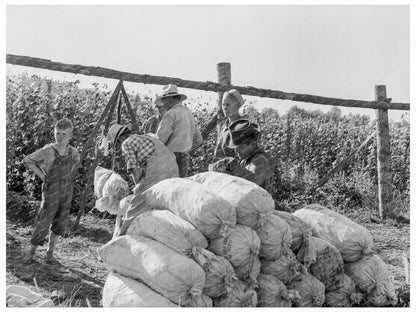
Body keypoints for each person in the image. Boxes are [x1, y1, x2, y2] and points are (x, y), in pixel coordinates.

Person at [21, 118, 80, 264]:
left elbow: (76, 163)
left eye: (63, 134)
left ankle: (49, 253)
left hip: (67, 191)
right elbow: (28, 160)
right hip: (51, 190)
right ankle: (31, 252)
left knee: (60, 223)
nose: (59, 137)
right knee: (44, 221)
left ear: (70, 136)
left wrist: (66, 179)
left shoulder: (73, 152)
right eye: (57, 133)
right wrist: (43, 176)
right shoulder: (48, 151)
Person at [106, 123, 179, 237]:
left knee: (135, 207)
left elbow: (135, 170)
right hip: (173, 170)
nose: (119, 146)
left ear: (120, 138)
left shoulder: (126, 143)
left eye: (118, 143)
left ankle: (122, 239)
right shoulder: (147, 137)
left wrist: (138, 186)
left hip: (158, 170)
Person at [209, 119, 273, 192]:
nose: (236, 151)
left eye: (241, 147)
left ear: (253, 143)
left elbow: (251, 182)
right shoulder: (245, 159)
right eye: (235, 148)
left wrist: (232, 164)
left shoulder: (259, 160)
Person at [154, 84, 202, 177]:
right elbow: (198, 140)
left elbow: (159, 140)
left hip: (170, 158)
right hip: (184, 158)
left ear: (170, 100)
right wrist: (185, 150)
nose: (163, 104)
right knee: (180, 185)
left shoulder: (170, 114)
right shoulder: (189, 114)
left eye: (164, 101)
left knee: (168, 186)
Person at [214, 89, 245, 160]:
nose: (225, 108)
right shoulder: (224, 127)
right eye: (223, 105)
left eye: (228, 104)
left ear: (237, 105)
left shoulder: (243, 126)